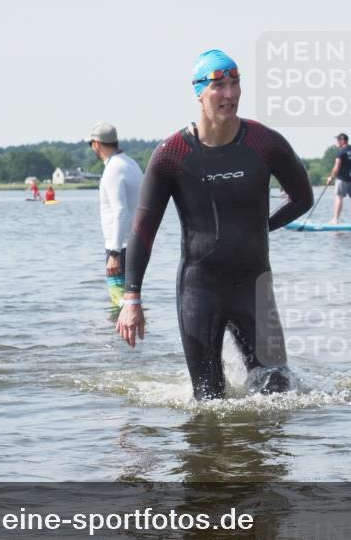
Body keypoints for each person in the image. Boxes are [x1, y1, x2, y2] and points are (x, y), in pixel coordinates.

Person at [117, 49, 313, 400]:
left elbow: (303, 198)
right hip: (199, 291)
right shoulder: (172, 154)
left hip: (255, 289)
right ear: (198, 93)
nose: (230, 94)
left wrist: (260, 227)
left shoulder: (263, 143)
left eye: (235, 83)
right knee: (208, 400)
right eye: (218, 86)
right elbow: (143, 230)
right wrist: (131, 298)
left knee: (280, 394)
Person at [89, 122, 144, 309]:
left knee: (119, 303)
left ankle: (116, 339)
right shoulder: (131, 163)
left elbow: (120, 211)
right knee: (132, 301)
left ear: (96, 144)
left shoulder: (113, 169)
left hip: (121, 247)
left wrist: (114, 252)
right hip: (136, 244)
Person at [327, 133, 351, 223]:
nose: (337, 142)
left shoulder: (341, 152)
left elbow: (336, 166)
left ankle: (335, 219)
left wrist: (331, 178)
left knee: (339, 197)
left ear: (343, 140)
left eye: (338, 140)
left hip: (342, 179)